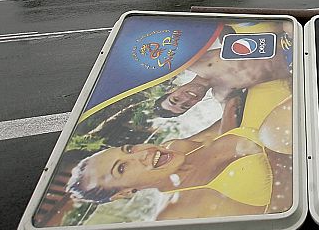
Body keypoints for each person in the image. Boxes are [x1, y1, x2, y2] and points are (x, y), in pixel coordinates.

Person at [65, 79, 294, 220]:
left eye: (128, 149)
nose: (142, 153)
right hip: (300, 132)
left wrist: (229, 101)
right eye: (122, 168)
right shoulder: (175, 215)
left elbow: (225, 135)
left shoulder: (177, 146)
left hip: (281, 91)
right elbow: (278, 215)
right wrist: (277, 152)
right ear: (123, 193)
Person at [155, 21, 293, 117]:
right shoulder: (223, 95)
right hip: (293, 65)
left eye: (175, 100)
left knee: (289, 25)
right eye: (185, 106)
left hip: (285, 39)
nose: (185, 100)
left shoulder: (194, 62)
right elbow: (230, 121)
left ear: (172, 90)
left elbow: (212, 30)